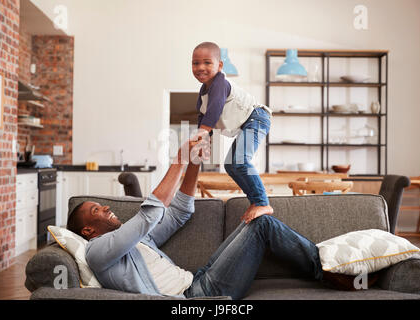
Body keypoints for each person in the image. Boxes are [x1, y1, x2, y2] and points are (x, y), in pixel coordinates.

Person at [67, 143, 324, 299]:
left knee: (256, 220)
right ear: (88, 230)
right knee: (263, 224)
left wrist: (194, 162)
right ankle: (327, 268)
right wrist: (179, 156)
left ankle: (326, 264)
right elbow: (149, 214)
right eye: (96, 210)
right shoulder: (97, 252)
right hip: (200, 296)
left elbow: (179, 213)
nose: (105, 207)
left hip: (199, 278)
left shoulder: (138, 240)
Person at [191, 41, 273, 222]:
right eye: (196, 63)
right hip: (248, 122)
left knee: (241, 160)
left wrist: (204, 132)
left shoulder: (220, 83)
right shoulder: (203, 94)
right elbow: (203, 117)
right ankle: (255, 200)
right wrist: (204, 142)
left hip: (257, 117)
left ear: (220, 66)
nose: (200, 67)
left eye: (207, 62)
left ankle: (262, 202)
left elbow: (215, 108)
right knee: (230, 164)